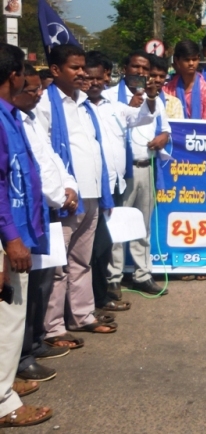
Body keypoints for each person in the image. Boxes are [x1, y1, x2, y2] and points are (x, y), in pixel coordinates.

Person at [35, 44, 117, 340]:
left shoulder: (84, 102)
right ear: (56, 70)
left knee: (82, 260)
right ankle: (53, 327)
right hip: (66, 198)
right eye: (75, 67)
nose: (82, 73)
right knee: (58, 265)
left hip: (92, 193)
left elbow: (93, 147)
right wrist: (60, 190)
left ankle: (82, 316)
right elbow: (42, 151)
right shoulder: (45, 104)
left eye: (83, 67)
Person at [0, 43, 54, 430]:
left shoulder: (11, 115)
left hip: (17, 227)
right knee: (9, 319)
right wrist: (12, 238)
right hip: (8, 235)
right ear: (14, 75)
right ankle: (4, 402)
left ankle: (3, 383)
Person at [13, 63, 78, 383]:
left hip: (47, 211)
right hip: (28, 213)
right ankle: (22, 356)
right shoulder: (13, 122)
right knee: (23, 290)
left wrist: (69, 187)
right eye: (32, 89)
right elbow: (31, 170)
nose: (39, 94)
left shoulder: (31, 119)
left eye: (40, 88)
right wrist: (58, 195)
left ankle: (35, 343)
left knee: (42, 283)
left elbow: (53, 160)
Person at [102, 51, 171, 298]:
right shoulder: (109, 97)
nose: (140, 72)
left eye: (145, 68)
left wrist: (163, 137)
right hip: (122, 171)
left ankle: (143, 274)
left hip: (146, 166)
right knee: (117, 225)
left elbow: (166, 130)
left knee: (143, 226)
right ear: (125, 68)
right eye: (135, 67)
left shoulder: (155, 98)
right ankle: (113, 278)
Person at [164, 40, 206, 120]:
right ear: (177, 60)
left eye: (194, 59)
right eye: (187, 60)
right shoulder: (167, 90)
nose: (191, 63)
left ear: (199, 59)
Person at [149, 55, 184, 120]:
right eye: (153, 75)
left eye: (162, 76)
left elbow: (176, 126)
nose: (158, 80)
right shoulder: (138, 99)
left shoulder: (174, 103)